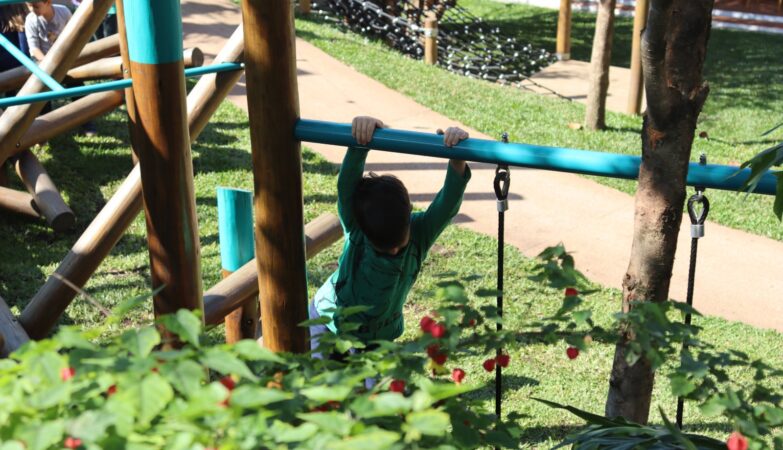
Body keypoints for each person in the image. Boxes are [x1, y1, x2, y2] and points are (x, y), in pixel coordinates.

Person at [309, 116, 471, 359]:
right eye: (382, 247)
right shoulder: (357, 228)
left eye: (398, 243)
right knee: (326, 391)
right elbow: (346, 188)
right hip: (329, 323)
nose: (394, 252)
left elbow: (447, 205)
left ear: (408, 217)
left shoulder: (420, 231)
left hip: (379, 337)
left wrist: (457, 160)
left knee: (379, 393)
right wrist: (359, 143)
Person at [26, 0, 96, 136]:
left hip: (67, 59)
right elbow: (34, 48)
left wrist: (69, 58)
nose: (31, 9)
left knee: (78, 90)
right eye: (28, 6)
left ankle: (87, 124)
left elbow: (75, 33)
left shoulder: (63, 11)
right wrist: (48, 63)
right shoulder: (31, 19)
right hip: (44, 62)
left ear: (48, 2)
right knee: (42, 98)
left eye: (35, 6)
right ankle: (45, 130)